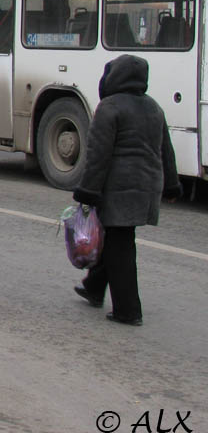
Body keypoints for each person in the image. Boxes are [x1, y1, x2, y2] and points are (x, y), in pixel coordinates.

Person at [71, 54, 180, 326]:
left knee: (120, 244)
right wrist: (172, 184)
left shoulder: (109, 108)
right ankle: (94, 288)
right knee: (115, 238)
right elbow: (166, 149)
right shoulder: (154, 107)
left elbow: (98, 155)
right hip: (147, 186)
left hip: (118, 187)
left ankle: (128, 310)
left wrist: (87, 190)